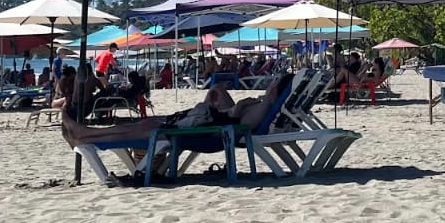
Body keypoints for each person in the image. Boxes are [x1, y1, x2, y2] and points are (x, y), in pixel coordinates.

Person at [60, 74, 292, 147]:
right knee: (143, 126)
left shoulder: (264, 107)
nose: (271, 82)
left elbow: (240, 125)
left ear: (276, 90)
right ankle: (85, 133)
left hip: (206, 134)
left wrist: (239, 106)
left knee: (145, 128)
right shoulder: (263, 104)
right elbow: (231, 115)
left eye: (275, 83)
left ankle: (84, 134)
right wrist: (219, 95)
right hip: (204, 127)